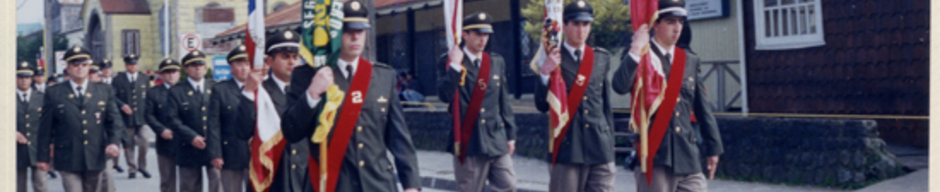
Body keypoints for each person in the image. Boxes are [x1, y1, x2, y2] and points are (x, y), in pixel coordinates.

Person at [280, 1, 421, 191]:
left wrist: (411, 184)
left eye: (361, 30)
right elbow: (291, 132)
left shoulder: (383, 76)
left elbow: (399, 138)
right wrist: (312, 93)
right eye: (347, 30)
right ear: (334, 33)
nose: (355, 36)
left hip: (376, 183)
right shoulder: (308, 75)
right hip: (332, 183)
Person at [612, 0, 724, 191]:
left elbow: (701, 107)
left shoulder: (689, 59)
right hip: (656, 156)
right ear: (656, 24)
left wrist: (714, 148)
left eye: (681, 22)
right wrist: (636, 49)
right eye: (671, 22)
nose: (677, 28)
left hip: (687, 156)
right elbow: (619, 86)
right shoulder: (641, 55)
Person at [533, 1, 616, 191]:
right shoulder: (552, 58)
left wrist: (609, 141)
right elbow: (541, 105)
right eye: (576, 24)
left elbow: (605, 105)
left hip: (600, 147)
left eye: (586, 24)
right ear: (565, 25)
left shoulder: (601, 58)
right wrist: (545, 72)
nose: (581, 30)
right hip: (568, 147)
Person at [436, 11, 518, 192]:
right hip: (469, 139)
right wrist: (456, 67)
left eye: (486, 34)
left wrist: (510, 135)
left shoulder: (496, 62)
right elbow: (444, 95)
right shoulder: (449, 61)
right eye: (478, 34)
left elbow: (504, 100)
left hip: (496, 137)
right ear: (465, 35)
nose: (483, 39)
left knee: (509, 186)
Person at [37, 45, 124, 192]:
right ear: (68, 68)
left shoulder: (103, 91)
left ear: (89, 66)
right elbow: (45, 128)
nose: (80, 68)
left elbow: (114, 121)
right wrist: (42, 157)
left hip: (95, 155)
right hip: (68, 157)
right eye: (75, 64)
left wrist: (114, 142)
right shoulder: (54, 93)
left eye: (84, 64)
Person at [236, 31, 313, 192]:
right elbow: (243, 130)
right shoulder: (259, 91)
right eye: (285, 57)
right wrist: (249, 92)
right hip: (273, 173)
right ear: (270, 61)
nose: (292, 62)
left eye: (295, 56)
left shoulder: (310, 91)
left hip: (304, 173)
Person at [167, 50, 222, 192]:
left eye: (200, 64)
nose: (198, 68)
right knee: (190, 187)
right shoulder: (176, 91)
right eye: (193, 65)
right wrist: (192, 136)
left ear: (205, 66)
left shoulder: (216, 87)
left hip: (213, 145)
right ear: (186, 69)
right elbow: (173, 119)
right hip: (188, 146)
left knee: (217, 184)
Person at [207, 45, 253, 192]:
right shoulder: (220, 90)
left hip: (255, 151)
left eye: (247, 64)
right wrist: (216, 154)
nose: (244, 68)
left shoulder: (260, 88)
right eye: (239, 64)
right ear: (231, 68)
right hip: (231, 152)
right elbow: (213, 124)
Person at [111, 54, 152, 179]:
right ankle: (131, 168)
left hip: (141, 117)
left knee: (144, 141)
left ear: (137, 65)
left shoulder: (144, 78)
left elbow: (149, 96)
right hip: (126, 118)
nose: (132, 66)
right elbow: (112, 96)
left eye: (134, 64)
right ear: (126, 65)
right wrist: (122, 105)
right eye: (130, 64)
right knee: (128, 144)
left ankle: (142, 166)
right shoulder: (118, 79)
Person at [147, 58, 182, 192]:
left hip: (185, 142)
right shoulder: (154, 92)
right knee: (167, 181)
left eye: (174, 71)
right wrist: (160, 129)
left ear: (179, 73)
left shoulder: (185, 90)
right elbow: (149, 115)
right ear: (161, 74)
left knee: (188, 181)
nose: (171, 75)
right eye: (167, 72)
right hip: (165, 141)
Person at [17, 62, 48, 192]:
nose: (24, 80)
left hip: (38, 147)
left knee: (41, 185)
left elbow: (48, 124)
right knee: (17, 186)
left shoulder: (42, 98)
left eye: (27, 77)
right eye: (20, 77)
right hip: (16, 150)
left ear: (32, 79)